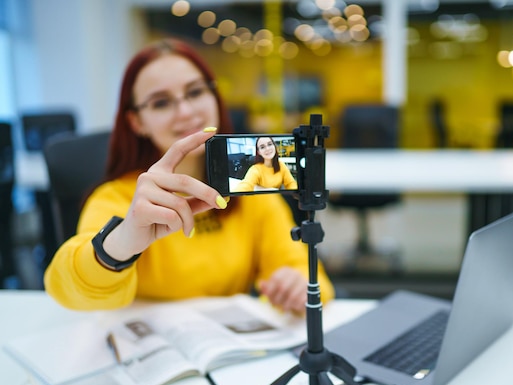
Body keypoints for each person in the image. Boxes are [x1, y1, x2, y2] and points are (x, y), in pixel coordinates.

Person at [44, 38, 334, 314]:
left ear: (215, 96)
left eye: (195, 92)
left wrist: (296, 284)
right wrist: (120, 244)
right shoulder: (117, 198)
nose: (185, 111)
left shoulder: (249, 189)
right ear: (137, 122)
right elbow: (66, 291)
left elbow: (312, 277)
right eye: (160, 102)